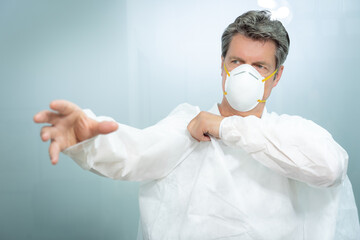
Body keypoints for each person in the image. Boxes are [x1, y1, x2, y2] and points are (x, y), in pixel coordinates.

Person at [34, 10, 360, 240]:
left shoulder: (290, 134)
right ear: (222, 66)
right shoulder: (189, 126)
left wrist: (225, 128)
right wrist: (89, 139)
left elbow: (330, 168)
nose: (246, 74)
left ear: (276, 77)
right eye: (237, 61)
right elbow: (135, 152)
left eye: (260, 66)